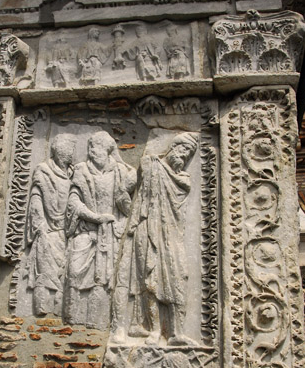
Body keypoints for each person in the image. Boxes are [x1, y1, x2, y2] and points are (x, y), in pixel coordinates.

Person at [112, 132, 198, 345]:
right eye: (183, 150)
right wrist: (127, 213)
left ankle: (178, 333)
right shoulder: (150, 164)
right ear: (173, 147)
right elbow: (124, 190)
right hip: (145, 227)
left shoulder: (183, 178)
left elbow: (181, 197)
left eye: (189, 155)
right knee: (149, 279)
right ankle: (154, 330)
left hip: (171, 233)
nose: (184, 157)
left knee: (178, 276)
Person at [64, 131, 136, 329]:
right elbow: (73, 202)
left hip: (110, 233)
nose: (91, 151)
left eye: (95, 147)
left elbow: (129, 190)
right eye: (90, 147)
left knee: (104, 278)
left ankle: (98, 323)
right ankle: (72, 319)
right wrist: (95, 217)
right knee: (74, 270)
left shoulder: (119, 171)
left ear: (107, 151)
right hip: (86, 230)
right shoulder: (81, 170)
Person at [24, 134, 75, 316]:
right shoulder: (43, 170)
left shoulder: (72, 173)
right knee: (44, 270)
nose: (73, 154)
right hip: (47, 230)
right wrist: (39, 226)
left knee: (65, 272)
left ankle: (59, 309)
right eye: (70, 150)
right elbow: (36, 198)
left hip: (67, 230)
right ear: (62, 151)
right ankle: (40, 307)